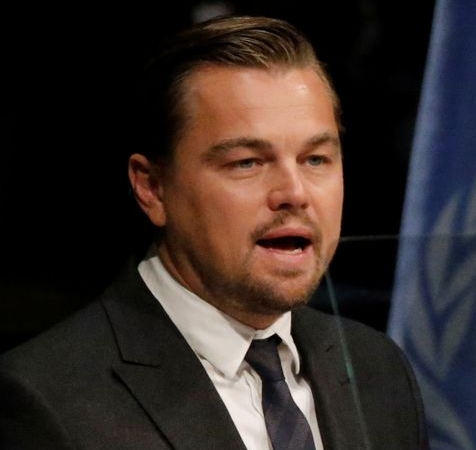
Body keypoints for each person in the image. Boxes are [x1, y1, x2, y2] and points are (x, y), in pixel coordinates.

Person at [0, 14, 429, 450]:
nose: (294, 193)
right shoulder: (46, 401)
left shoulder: (377, 369)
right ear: (152, 188)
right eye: (247, 162)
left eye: (316, 159)